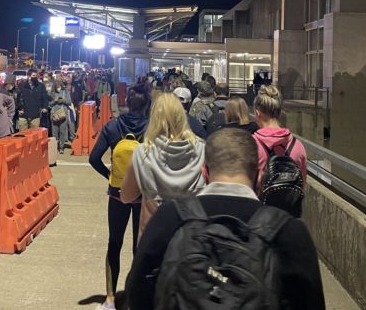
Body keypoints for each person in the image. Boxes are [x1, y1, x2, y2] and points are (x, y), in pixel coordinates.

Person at [125, 128, 325, 310]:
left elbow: (136, 293)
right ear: (259, 176)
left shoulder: (169, 218)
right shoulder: (289, 232)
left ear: (204, 172)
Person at [88, 85, 149, 310]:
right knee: (139, 247)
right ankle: (134, 297)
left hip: (117, 194)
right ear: (146, 105)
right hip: (143, 194)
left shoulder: (112, 127)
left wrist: (111, 175)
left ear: (126, 102)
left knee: (115, 243)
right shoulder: (152, 128)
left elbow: (94, 158)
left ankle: (110, 299)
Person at [120, 92, 205, 237]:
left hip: (154, 238)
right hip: (191, 239)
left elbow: (127, 196)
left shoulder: (143, 152)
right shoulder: (202, 150)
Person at [252, 85, 307, 190]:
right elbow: (302, 185)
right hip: (288, 206)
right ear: (280, 113)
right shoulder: (298, 146)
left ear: (257, 113)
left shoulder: (251, 145)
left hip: (260, 205)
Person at [49, 79, 71, 153]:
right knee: (54, 132)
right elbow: (49, 104)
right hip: (54, 114)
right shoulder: (51, 92)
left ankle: (61, 147)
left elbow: (69, 101)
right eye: (56, 82)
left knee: (62, 131)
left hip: (63, 113)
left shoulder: (65, 91)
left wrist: (63, 100)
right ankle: (55, 147)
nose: (57, 84)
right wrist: (54, 101)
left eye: (59, 82)